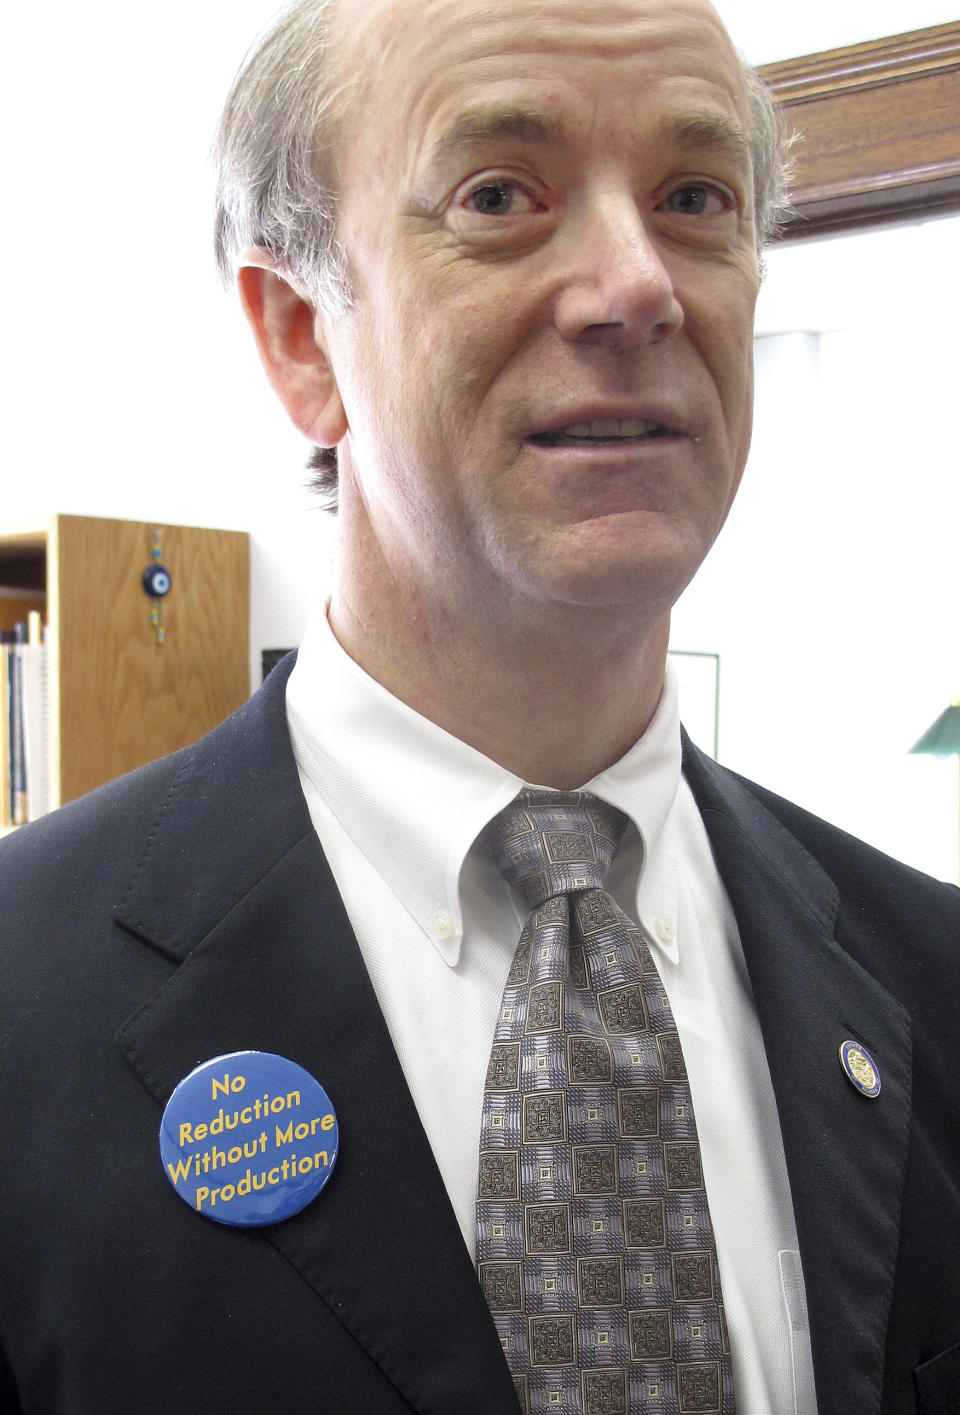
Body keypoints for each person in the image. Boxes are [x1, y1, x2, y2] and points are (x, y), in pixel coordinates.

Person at [1, 0, 958, 1411]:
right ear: (299, 341)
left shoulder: (930, 976)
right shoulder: (25, 1005)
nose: (638, 285)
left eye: (696, 199)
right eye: (500, 196)